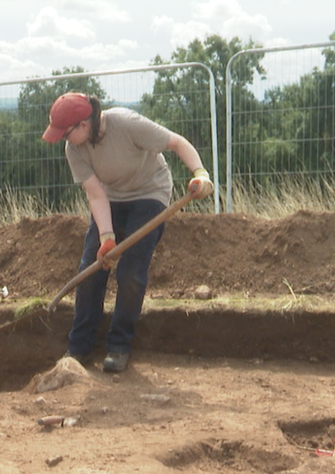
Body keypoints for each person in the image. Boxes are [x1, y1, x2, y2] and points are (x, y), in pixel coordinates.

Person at [42, 92, 213, 373]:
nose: (63, 139)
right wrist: (106, 239)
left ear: (84, 124)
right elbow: (96, 195)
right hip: (111, 199)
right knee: (92, 268)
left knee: (131, 271)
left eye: (65, 133)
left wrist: (200, 173)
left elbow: (176, 142)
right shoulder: (74, 150)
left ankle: (119, 345)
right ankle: (79, 347)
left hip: (150, 193)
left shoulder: (127, 123)